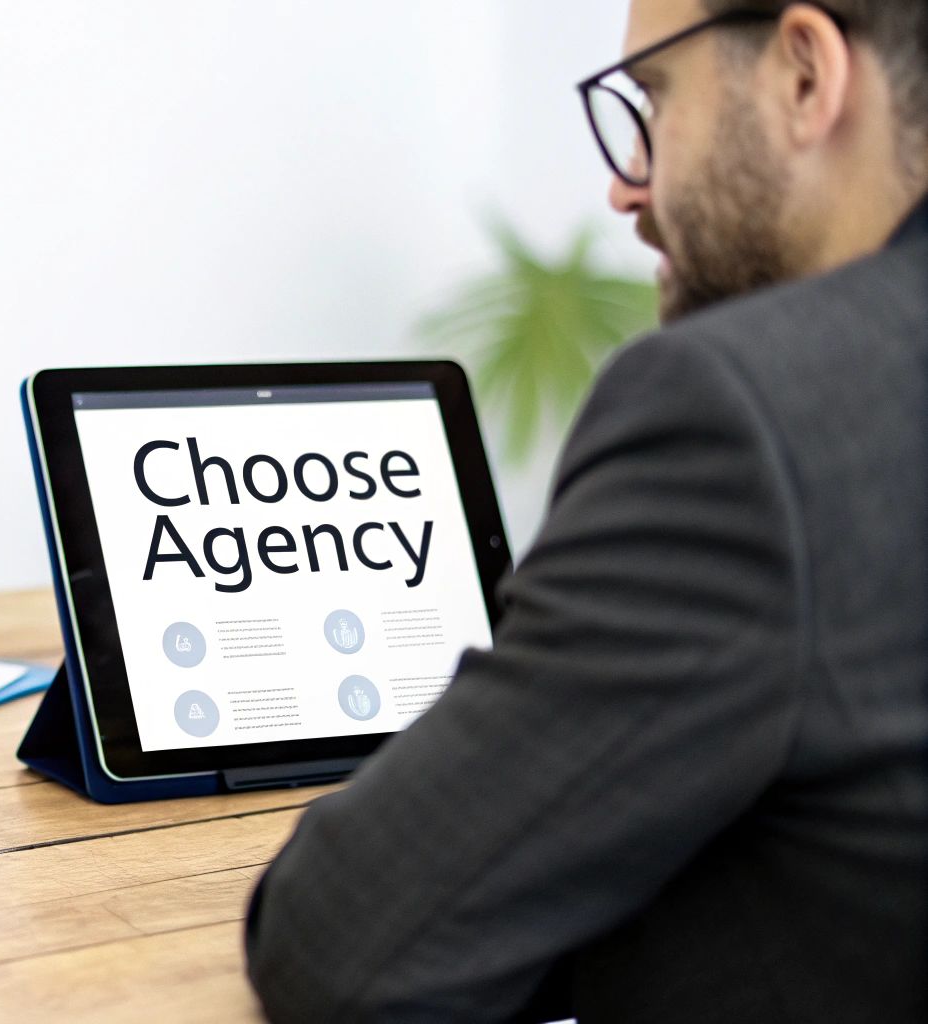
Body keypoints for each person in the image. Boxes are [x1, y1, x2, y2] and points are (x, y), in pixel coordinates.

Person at [245, 0, 928, 1020]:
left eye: (650, 98)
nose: (621, 184)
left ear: (801, 75)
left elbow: (343, 948)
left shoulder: (744, 415)